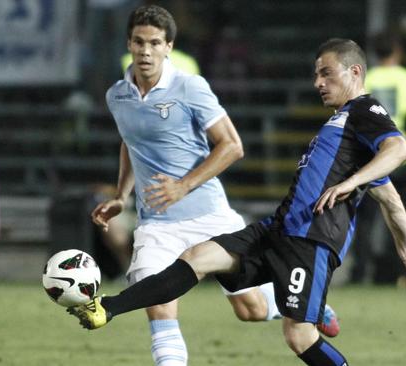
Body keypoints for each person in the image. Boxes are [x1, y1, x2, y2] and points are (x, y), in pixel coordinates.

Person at [69, 38, 406, 365]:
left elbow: (397, 149)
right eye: (315, 74)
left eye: (326, 73)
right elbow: (392, 200)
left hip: (310, 242)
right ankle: (107, 308)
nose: (318, 82)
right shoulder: (341, 125)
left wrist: (352, 182)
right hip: (278, 229)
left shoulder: (366, 110)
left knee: (299, 337)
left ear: (354, 72)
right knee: (198, 258)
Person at [88, 5, 338, 366]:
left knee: (249, 309)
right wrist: (120, 195)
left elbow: (232, 145)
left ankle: (312, 308)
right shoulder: (118, 95)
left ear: (168, 46)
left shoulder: (189, 87)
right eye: (139, 42)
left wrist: (182, 186)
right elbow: (131, 142)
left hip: (209, 217)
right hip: (157, 223)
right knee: (158, 305)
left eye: (155, 43)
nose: (146, 51)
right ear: (129, 43)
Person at [352, 31, 406, 284]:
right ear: (398, 51)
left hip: (375, 158)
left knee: (366, 220)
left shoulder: (367, 79)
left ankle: (360, 272)